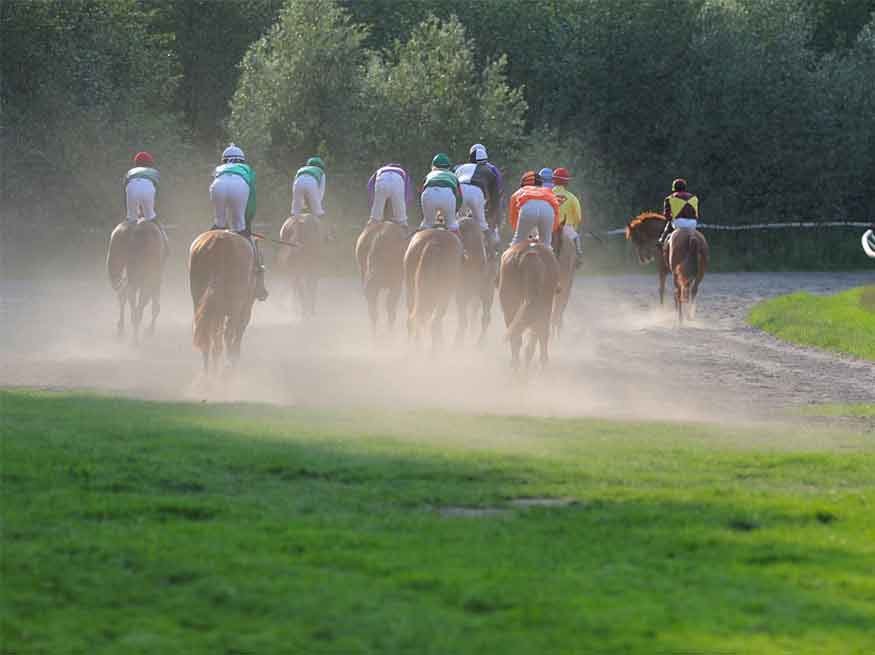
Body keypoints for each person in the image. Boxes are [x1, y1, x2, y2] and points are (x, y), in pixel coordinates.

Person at [209, 144, 268, 301]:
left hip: (217, 185)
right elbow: (251, 202)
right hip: (239, 187)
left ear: (224, 160)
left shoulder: (218, 169)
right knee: (242, 231)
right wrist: (246, 225)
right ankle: (258, 279)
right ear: (242, 160)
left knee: (218, 225)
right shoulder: (247, 170)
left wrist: (220, 221)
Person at [454, 143, 503, 252]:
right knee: (483, 225)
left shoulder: (459, 167)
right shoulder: (491, 170)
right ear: (485, 160)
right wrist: (492, 214)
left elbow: (452, 184)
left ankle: (452, 248)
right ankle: (492, 253)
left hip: (461, 192)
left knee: (454, 222)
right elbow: (496, 197)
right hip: (477, 193)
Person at [124, 151, 169, 253]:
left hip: (130, 188)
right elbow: (158, 195)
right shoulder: (154, 172)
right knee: (153, 218)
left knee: (130, 220)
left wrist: (130, 213)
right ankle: (166, 245)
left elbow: (126, 191)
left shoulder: (130, 172)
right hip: (148, 189)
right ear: (150, 164)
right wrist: (152, 212)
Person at [508, 170, 560, 248]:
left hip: (528, 209)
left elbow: (514, 221)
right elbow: (556, 212)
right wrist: (550, 230)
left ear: (523, 184)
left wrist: (524, 235)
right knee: (546, 245)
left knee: (517, 242)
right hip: (547, 209)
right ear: (541, 184)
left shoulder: (518, 192)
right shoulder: (548, 191)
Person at [420, 153, 463, 233]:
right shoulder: (453, 175)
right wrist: (455, 212)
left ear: (433, 166)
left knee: (426, 224)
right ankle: (460, 241)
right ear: (448, 166)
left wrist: (424, 216)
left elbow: (422, 192)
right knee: (452, 225)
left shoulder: (429, 175)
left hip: (428, 194)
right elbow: (460, 198)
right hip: (447, 196)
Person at [552, 167, 584, 264]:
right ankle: (578, 257)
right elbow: (578, 218)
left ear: (553, 180)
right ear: (566, 182)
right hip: (566, 228)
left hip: (549, 227)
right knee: (576, 237)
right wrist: (574, 226)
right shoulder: (572, 197)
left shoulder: (547, 195)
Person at [367, 163, 414, 229]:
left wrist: (373, 205)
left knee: (375, 219)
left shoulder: (380, 169)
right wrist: (403, 210)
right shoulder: (402, 172)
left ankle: (372, 223)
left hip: (381, 180)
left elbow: (370, 187)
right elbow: (408, 194)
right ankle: (403, 225)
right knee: (402, 221)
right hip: (397, 181)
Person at [658, 178, 699, 247]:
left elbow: (667, 215)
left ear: (674, 188)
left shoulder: (669, 198)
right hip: (693, 223)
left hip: (678, 223)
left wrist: (671, 218)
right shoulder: (694, 197)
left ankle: (662, 240)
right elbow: (696, 214)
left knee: (669, 224)